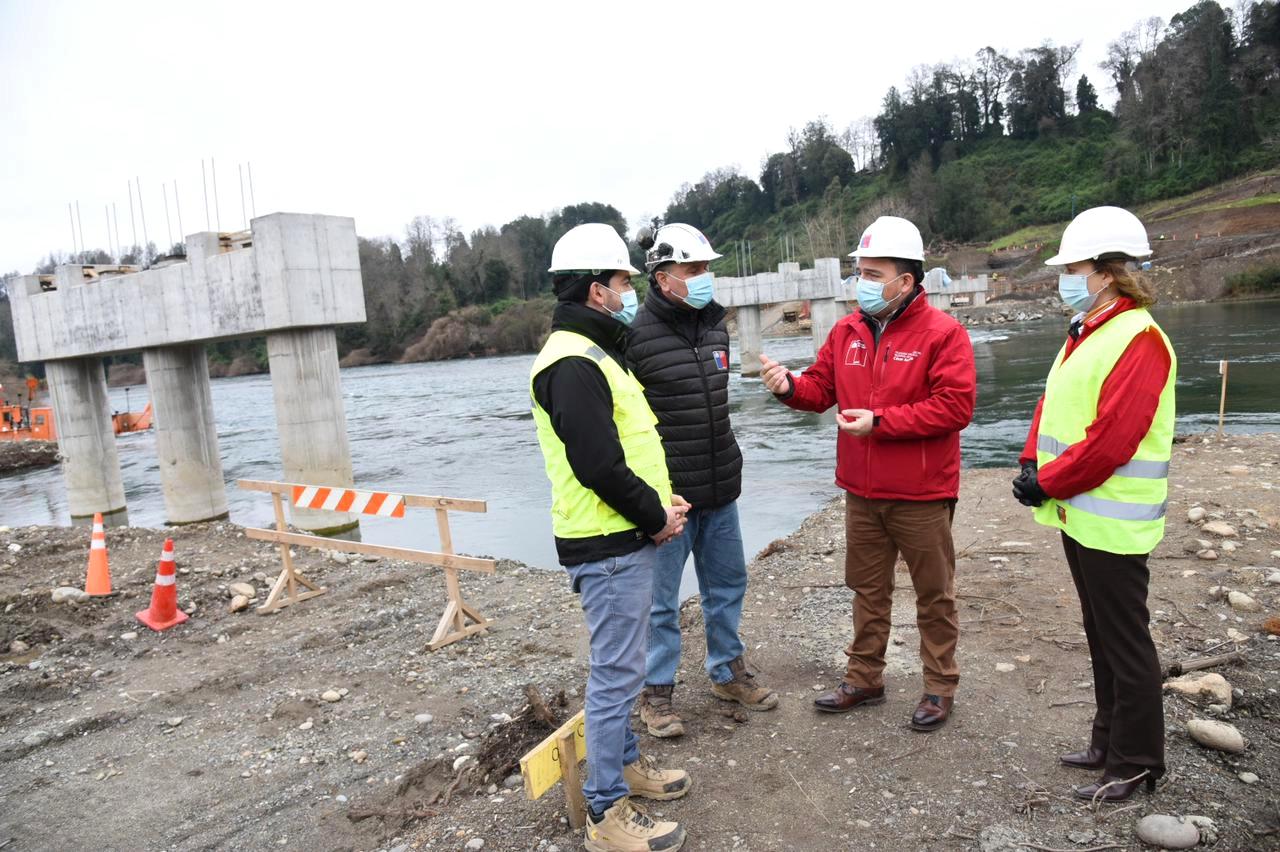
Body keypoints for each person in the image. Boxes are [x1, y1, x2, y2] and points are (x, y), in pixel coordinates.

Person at [759, 216, 975, 732]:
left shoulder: (943, 334)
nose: (863, 283)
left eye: (874, 274)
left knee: (934, 594)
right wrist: (788, 387)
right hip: (862, 491)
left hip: (921, 494)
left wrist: (881, 422)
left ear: (906, 280)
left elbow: (955, 407)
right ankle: (864, 679)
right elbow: (820, 389)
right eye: (861, 272)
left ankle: (939, 686)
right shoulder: (847, 330)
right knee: (867, 589)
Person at [530, 222, 692, 851]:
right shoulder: (572, 362)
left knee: (622, 667)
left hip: (622, 533)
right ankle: (605, 812)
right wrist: (655, 517)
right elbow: (597, 465)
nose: (630, 292)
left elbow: (628, 448)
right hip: (607, 543)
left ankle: (623, 765)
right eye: (623, 281)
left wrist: (658, 503)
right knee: (616, 675)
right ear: (597, 290)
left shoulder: (594, 351)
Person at [1012, 206, 1175, 802]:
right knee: (1102, 636)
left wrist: (1048, 482)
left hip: (1114, 521)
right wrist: (1031, 462)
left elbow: (1113, 440)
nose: (1065, 278)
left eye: (1073, 268)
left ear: (1107, 272)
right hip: (1082, 513)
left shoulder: (1141, 340)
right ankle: (1106, 743)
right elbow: (1052, 401)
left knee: (1125, 643)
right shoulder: (1088, 329)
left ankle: (1137, 762)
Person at [626, 223, 778, 739]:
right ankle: (656, 692)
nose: (703, 277)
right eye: (693, 269)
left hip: (721, 485)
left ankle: (727, 672)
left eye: (706, 268)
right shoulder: (634, 336)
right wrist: (646, 497)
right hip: (668, 497)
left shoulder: (716, 328)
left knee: (728, 584)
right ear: (662, 277)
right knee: (660, 602)